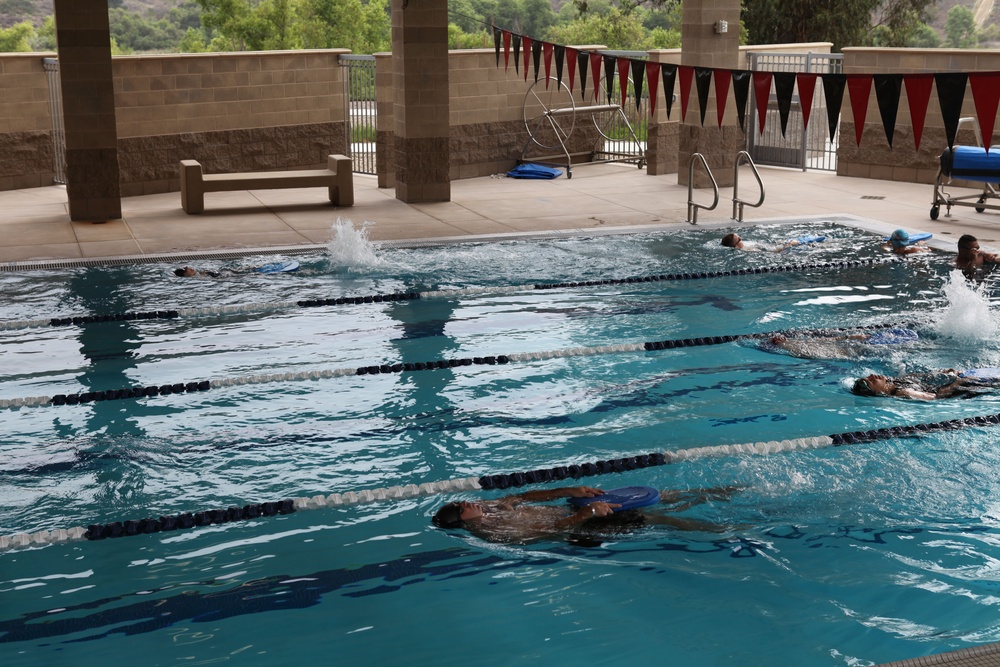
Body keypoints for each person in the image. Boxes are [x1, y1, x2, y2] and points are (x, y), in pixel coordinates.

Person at [431, 485, 739, 545]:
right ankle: (728, 530)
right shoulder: (496, 535)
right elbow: (551, 531)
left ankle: (731, 489)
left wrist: (568, 490)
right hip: (584, 526)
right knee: (663, 517)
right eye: (461, 508)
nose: (465, 503)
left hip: (573, 509)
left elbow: (520, 496)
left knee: (665, 495)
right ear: (462, 522)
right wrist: (587, 513)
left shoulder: (491, 508)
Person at [850, 370, 986, 400]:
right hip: (962, 390)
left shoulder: (893, 381)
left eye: (868, 377)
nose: (872, 376)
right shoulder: (904, 393)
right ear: (878, 392)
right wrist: (959, 382)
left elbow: (920, 376)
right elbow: (935, 396)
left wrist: (944, 372)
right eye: (871, 381)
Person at [721, 232, 799, 253]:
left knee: (780, 241)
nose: (741, 239)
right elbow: (772, 252)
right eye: (739, 239)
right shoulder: (748, 250)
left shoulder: (745, 244)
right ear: (735, 246)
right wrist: (789, 245)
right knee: (794, 242)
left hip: (768, 246)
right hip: (773, 250)